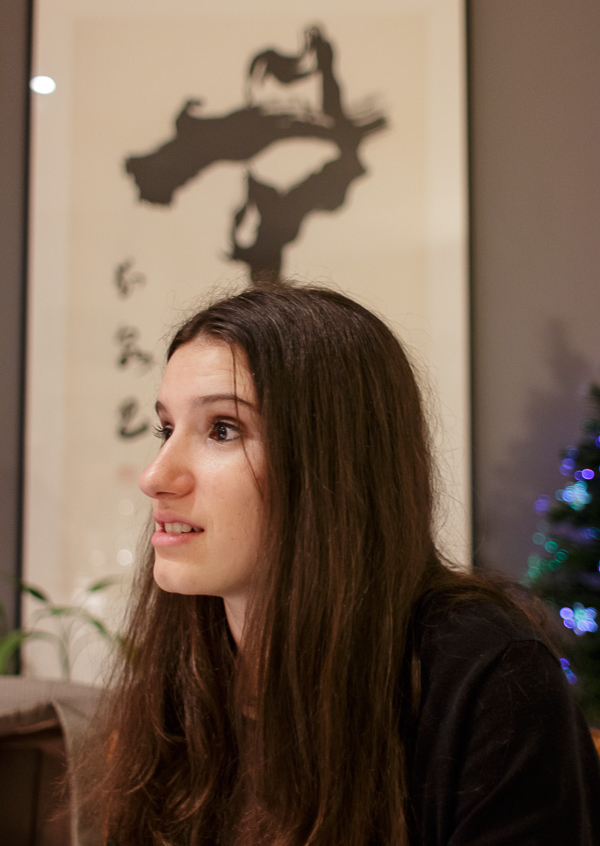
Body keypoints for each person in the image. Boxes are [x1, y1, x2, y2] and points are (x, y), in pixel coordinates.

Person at [81, 282, 600, 845]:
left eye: (222, 429)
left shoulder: (491, 680)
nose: (155, 476)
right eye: (166, 429)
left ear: (333, 463)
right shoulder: (183, 673)